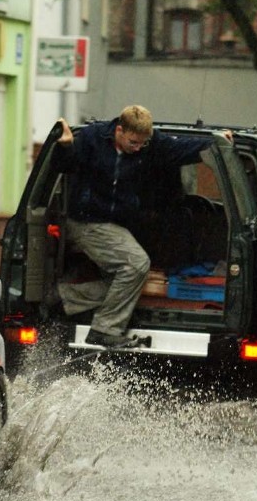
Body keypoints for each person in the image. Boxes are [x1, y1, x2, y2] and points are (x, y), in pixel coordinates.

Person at [53, 105, 232, 348]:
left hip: (117, 224)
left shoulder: (150, 144)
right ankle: (104, 329)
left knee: (127, 282)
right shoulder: (93, 138)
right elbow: (65, 165)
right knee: (136, 264)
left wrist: (212, 142)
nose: (138, 148)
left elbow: (178, 148)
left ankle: (63, 297)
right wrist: (65, 145)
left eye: (142, 144)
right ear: (119, 130)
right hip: (87, 221)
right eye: (133, 142)